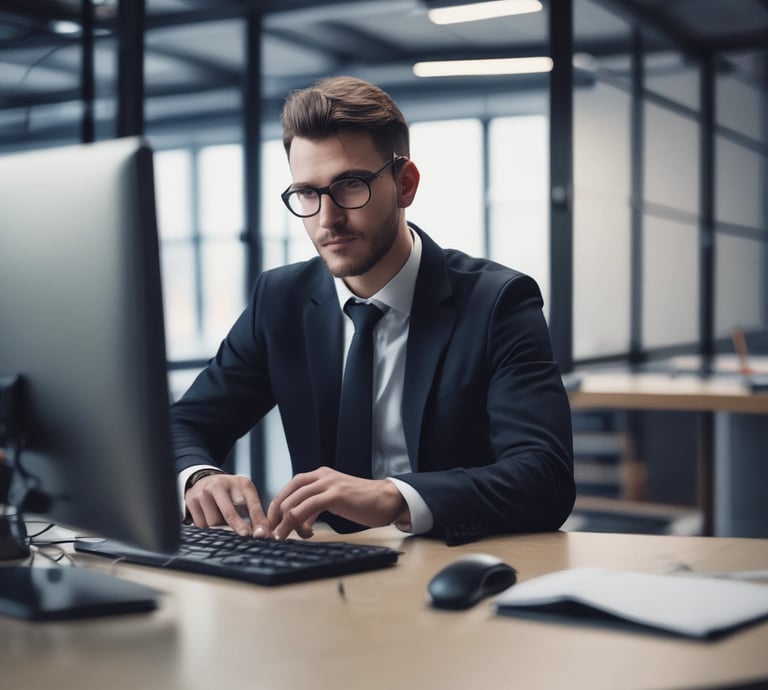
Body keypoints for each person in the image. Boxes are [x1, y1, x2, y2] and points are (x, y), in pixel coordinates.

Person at [171, 75, 575, 545]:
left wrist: (396, 496)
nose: (327, 219)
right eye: (307, 193)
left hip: (451, 563)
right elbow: (185, 423)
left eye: (350, 185)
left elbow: (544, 477)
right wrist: (199, 477)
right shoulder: (280, 300)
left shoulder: (497, 302)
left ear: (404, 184)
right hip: (322, 565)